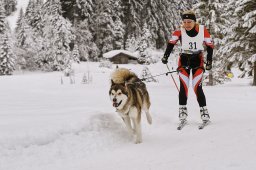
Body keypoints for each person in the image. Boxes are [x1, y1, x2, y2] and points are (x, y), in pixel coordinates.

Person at [161, 10, 213, 123]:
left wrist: (209, 61)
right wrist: (165, 56)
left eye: (189, 22)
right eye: (184, 22)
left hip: (197, 61)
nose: (186, 24)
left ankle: (204, 112)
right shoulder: (179, 31)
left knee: (196, 86)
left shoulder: (203, 30)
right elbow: (171, 44)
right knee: (183, 87)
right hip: (184, 61)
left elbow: (210, 46)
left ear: (194, 22)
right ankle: (182, 111)